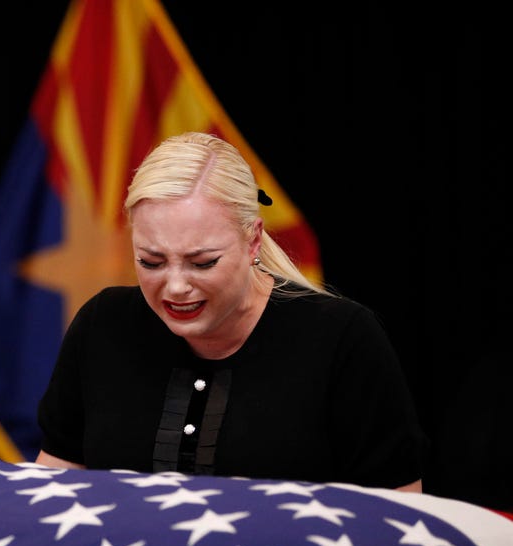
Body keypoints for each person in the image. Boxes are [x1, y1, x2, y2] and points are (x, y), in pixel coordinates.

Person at [35, 131, 424, 492]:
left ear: (253, 240)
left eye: (202, 262)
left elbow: (399, 514)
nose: (175, 286)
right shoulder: (103, 325)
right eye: (151, 261)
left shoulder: (342, 339)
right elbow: (52, 490)